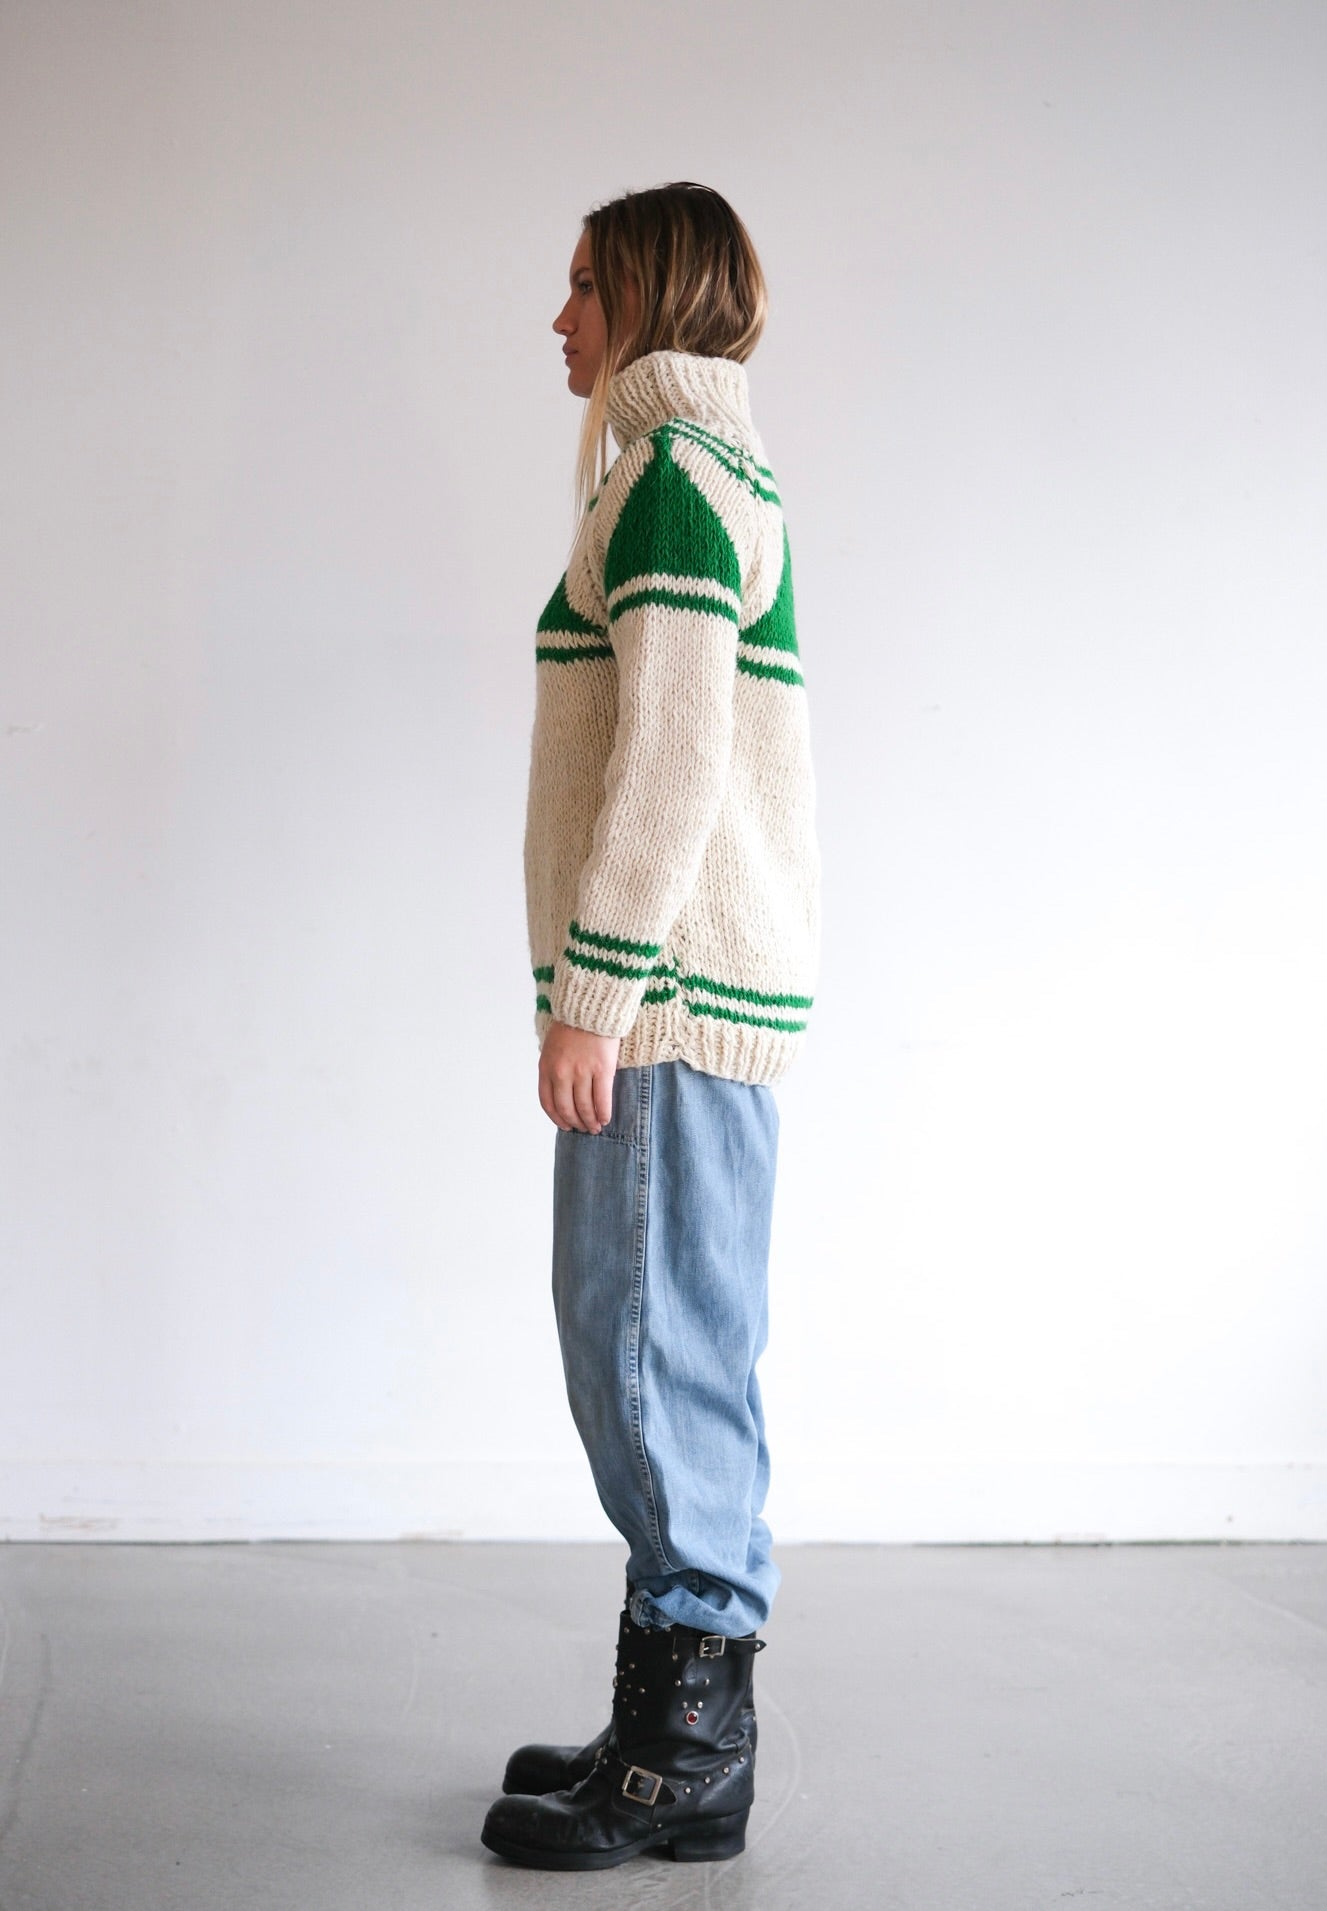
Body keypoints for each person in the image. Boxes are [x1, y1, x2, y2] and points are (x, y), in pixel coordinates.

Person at [480, 181, 821, 1871]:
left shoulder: (673, 477)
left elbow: (672, 762)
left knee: (644, 1347)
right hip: (684, 1000)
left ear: (648, 297)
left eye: (582, 288)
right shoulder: (685, 468)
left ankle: (688, 1749)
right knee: (655, 1342)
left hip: (668, 1001)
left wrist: (594, 993)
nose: (560, 321)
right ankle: (669, 1724)